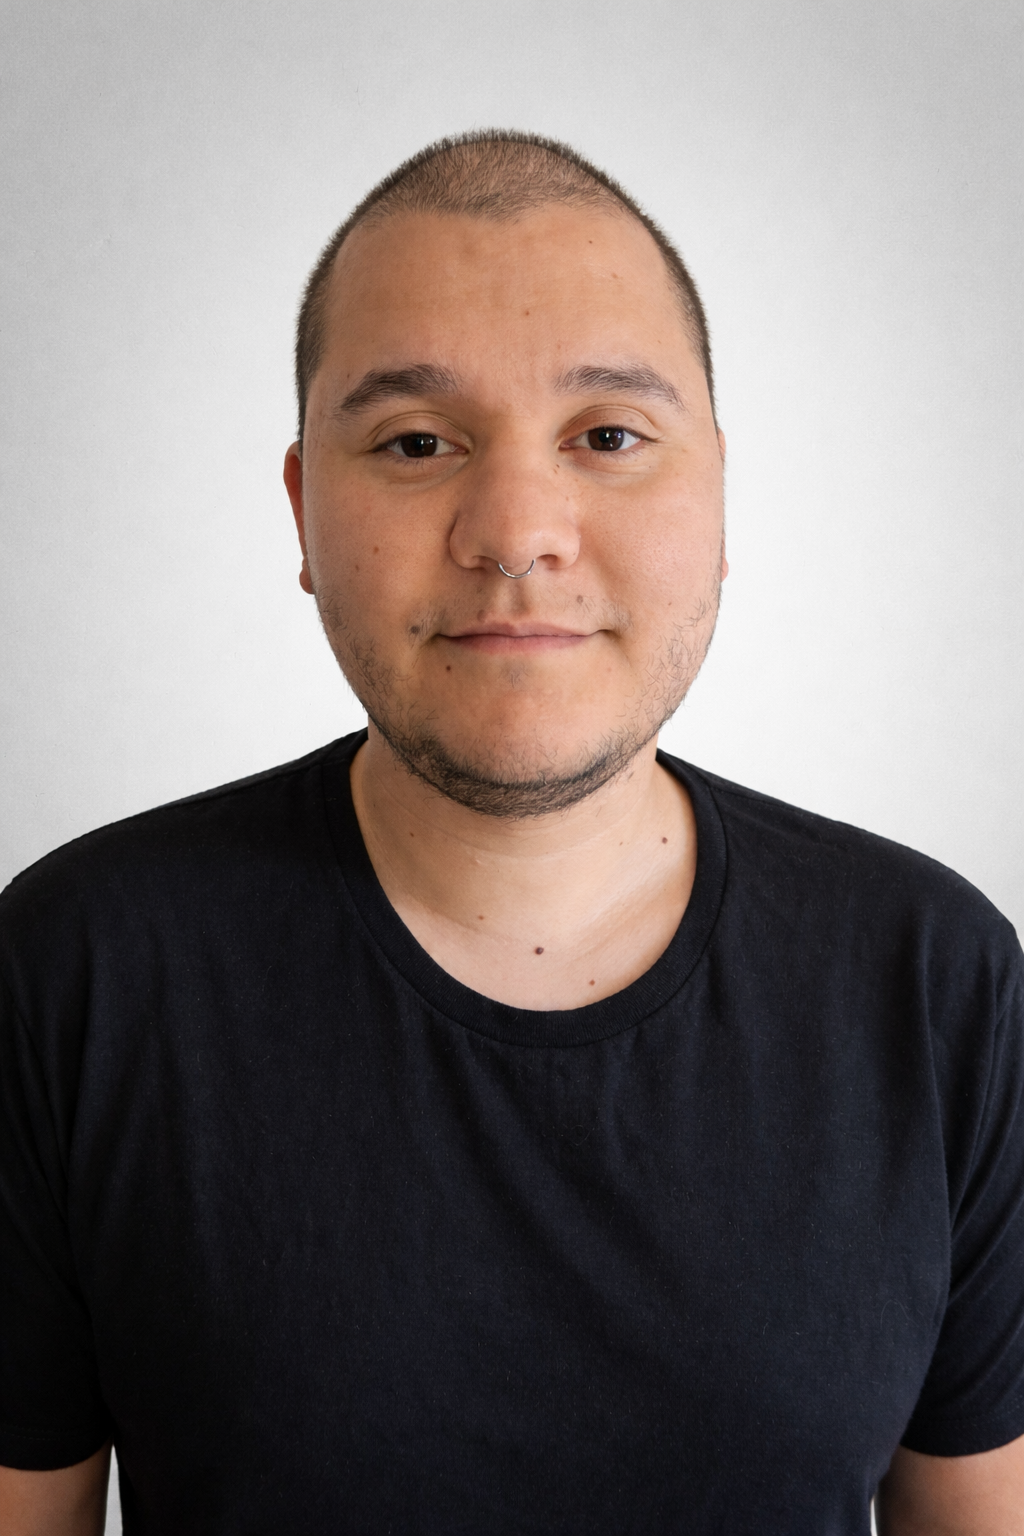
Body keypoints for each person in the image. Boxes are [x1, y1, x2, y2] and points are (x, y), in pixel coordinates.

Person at [0, 131, 1021, 1536]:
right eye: (417, 442)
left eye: (608, 435)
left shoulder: (935, 979)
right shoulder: (77, 972)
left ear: (717, 496)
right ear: (304, 510)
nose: (517, 531)